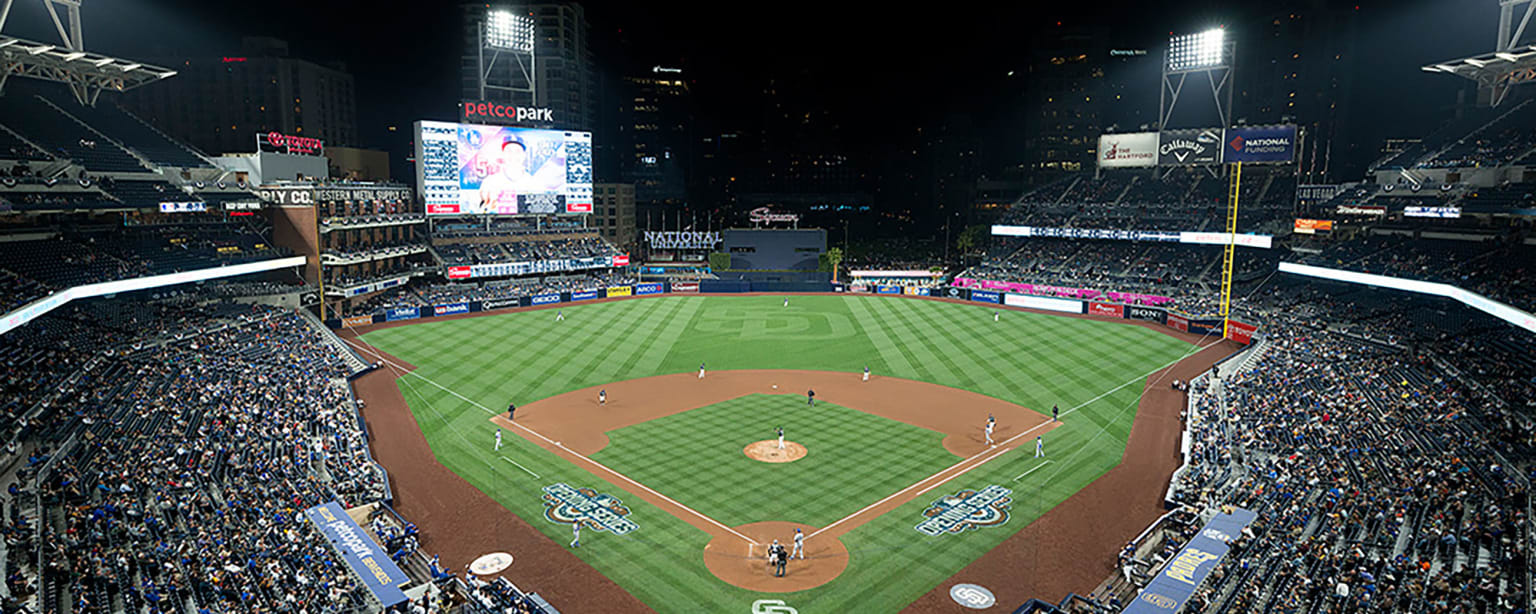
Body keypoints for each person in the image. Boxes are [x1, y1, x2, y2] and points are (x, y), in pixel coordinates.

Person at [479, 138, 535, 211]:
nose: (513, 155)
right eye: (509, 151)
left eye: (517, 151)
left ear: (524, 155)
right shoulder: (490, 181)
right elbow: (481, 210)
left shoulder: (533, 182)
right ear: (502, 154)